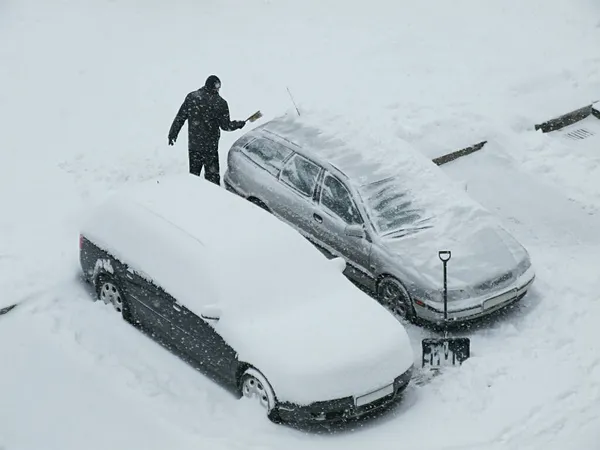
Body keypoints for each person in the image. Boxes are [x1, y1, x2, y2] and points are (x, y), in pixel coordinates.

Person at [168, 75, 246, 185]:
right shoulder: (220, 103)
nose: (219, 90)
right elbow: (226, 126)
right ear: (215, 88)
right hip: (210, 147)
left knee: (193, 176)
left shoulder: (192, 97)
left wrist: (172, 134)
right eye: (218, 88)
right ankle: (213, 199)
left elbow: (180, 117)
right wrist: (238, 124)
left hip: (194, 145)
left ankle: (192, 194)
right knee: (212, 179)